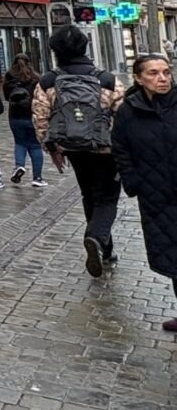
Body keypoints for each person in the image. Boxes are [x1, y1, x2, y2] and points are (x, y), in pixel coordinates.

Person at [33, 25, 125, 277]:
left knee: (89, 195)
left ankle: (104, 248)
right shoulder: (106, 79)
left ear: (55, 51)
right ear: (85, 47)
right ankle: (96, 238)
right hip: (105, 149)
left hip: (72, 147)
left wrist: (51, 147)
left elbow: (40, 117)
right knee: (107, 198)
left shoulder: (48, 81)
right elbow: (123, 114)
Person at [112, 53, 177, 332]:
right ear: (138, 78)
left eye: (166, 72)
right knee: (172, 255)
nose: (162, 78)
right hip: (157, 196)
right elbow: (120, 148)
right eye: (153, 73)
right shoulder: (128, 111)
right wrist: (134, 181)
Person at [2, 54, 46, 187]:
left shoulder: (9, 78)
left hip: (15, 116)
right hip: (32, 115)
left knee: (20, 143)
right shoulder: (35, 77)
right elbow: (41, 96)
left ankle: (19, 166)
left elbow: (6, 97)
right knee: (35, 145)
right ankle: (37, 177)